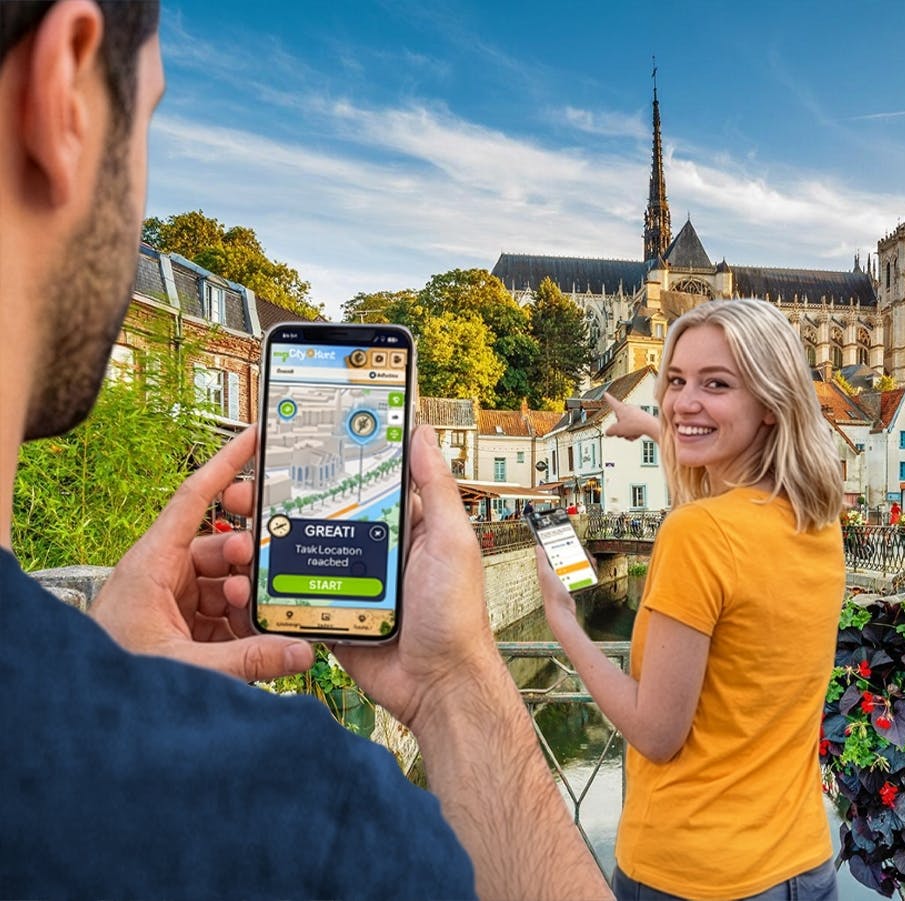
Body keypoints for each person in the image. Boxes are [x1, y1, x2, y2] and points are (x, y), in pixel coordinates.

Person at [0, 4, 610, 898]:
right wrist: (456, 682)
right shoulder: (301, 822)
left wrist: (100, 675)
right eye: (150, 121)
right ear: (65, 92)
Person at [537, 300, 845, 900]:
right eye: (675, 382)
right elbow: (728, 462)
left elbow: (656, 734)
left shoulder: (698, 534)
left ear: (771, 404)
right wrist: (651, 424)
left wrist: (565, 623)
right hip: (802, 863)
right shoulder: (816, 520)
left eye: (716, 384)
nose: (681, 402)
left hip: (694, 873)